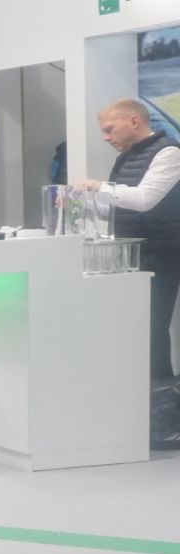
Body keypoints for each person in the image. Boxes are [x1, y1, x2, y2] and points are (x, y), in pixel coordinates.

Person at [73, 99, 180, 386]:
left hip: (160, 255)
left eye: (109, 129)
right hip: (129, 254)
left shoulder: (170, 153)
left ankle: (160, 396)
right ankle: (133, 394)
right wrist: (82, 204)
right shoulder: (126, 157)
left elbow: (144, 199)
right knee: (131, 328)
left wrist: (98, 186)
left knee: (152, 329)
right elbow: (119, 205)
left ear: (134, 121)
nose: (106, 138)